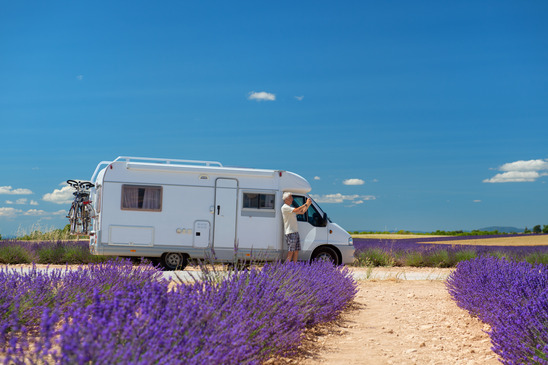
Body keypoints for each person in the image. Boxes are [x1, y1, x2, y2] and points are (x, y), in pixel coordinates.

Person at [281, 192, 312, 263]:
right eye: (291, 198)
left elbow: (302, 212)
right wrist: (306, 204)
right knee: (291, 251)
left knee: (296, 251)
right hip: (290, 232)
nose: (292, 199)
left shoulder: (289, 208)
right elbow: (297, 210)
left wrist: (308, 205)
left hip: (295, 232)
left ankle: (294, 266)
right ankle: (287, 267)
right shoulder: (285, 207)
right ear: (287, 199)